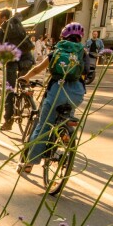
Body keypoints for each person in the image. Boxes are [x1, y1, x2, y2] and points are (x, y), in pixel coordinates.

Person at [18, 22, 90, 174]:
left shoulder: (57, 51)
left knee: (43, 126)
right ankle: (65, 135)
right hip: (76, 93)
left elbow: (38, 69)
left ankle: (29, 163)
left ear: (63, 36)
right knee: (66, 117)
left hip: (56, 90)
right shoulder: (83, 53)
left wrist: (25, 77)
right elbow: (88, 74)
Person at [0, 9, 35, 130]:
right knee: (24, 81)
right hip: (27, 59)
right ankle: (27, 96)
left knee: (9, 90)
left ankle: (8, 121)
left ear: (4, 18)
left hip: (12, 61)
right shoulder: (19, 28)